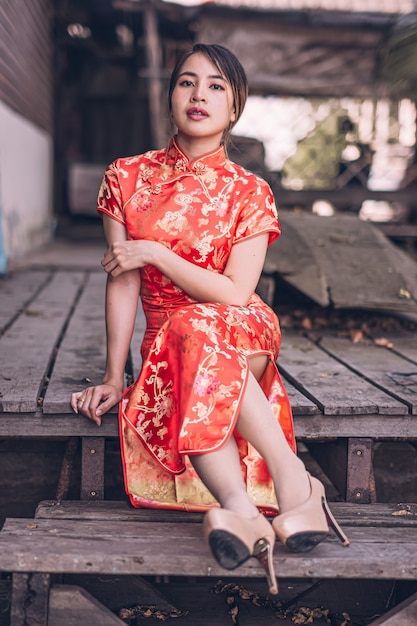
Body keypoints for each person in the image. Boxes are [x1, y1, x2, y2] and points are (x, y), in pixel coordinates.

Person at [71, 43, 349, 595]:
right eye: (187, 82)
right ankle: (246, 510)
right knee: (186, 333)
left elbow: (234, 292)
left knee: (198, 324)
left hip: (243, 327)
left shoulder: (250, 191)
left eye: (216, 86)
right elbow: (122, 278)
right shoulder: (125, 177)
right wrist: (111, 375)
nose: (199, 95)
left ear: (235, 105)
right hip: (172, 344)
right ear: (170, 96)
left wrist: (156, 253)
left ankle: (291, 484)